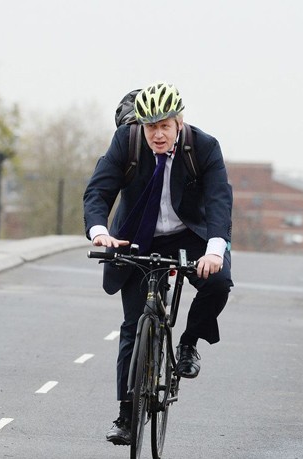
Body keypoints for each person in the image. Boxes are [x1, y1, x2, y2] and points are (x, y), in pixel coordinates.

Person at [82, 82, 233, 446]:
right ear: (141, 125)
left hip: (187, 233)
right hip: (134, 234)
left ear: (179, 122)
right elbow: (98, 191)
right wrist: (100, 231)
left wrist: (214, 250)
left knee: (219, 283)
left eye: (165, 125)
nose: (158, 134)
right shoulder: (127, 142)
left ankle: (187, 344)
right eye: (151, 127)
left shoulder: (205, 147)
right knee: (133, 326)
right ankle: (126, 414)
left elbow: (218, 201)